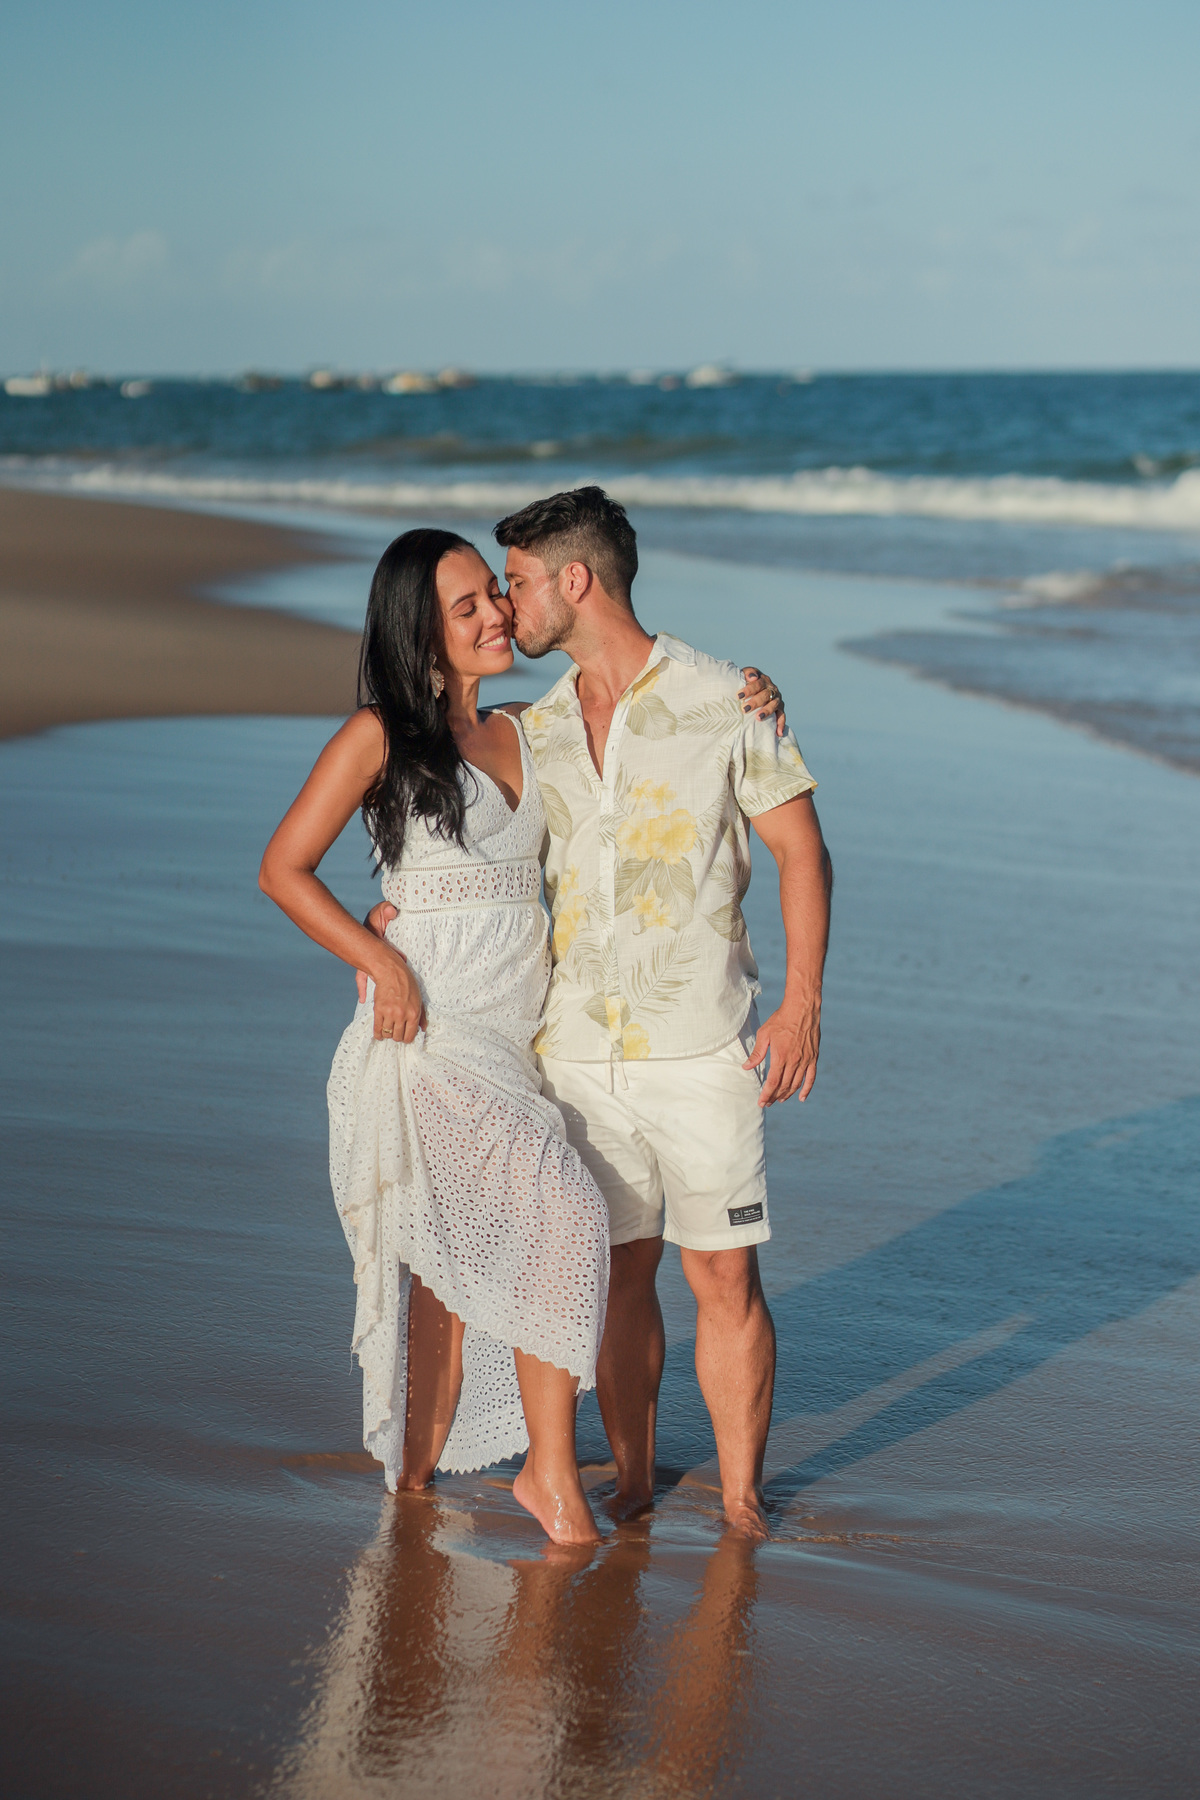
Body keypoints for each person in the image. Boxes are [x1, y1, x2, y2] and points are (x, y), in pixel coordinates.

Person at [259, 529, 615, 1545]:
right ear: (422, 632)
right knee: (565, 1218)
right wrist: (379, 962)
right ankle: (553, 1481)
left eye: (493, 600)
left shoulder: (527, 730)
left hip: (516, 1041)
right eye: (469, 608)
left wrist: (748, 689)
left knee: (450, 1287)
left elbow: (635, 700)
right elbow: (284, 868)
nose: (498, 615)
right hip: (428, 1038)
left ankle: (411, 1490)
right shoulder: (376, 737)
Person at [492, 488, 832, 1539]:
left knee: (722, 1274)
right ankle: (634, 1483)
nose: (509, 609)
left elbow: (800, 851)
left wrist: (803, 1005)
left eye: (517, 584)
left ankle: (738, 1503)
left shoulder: (730, 698)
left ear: (575, 581)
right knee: (617, 1271)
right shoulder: (535, 729)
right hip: (576, 1055)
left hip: (702, 1046)